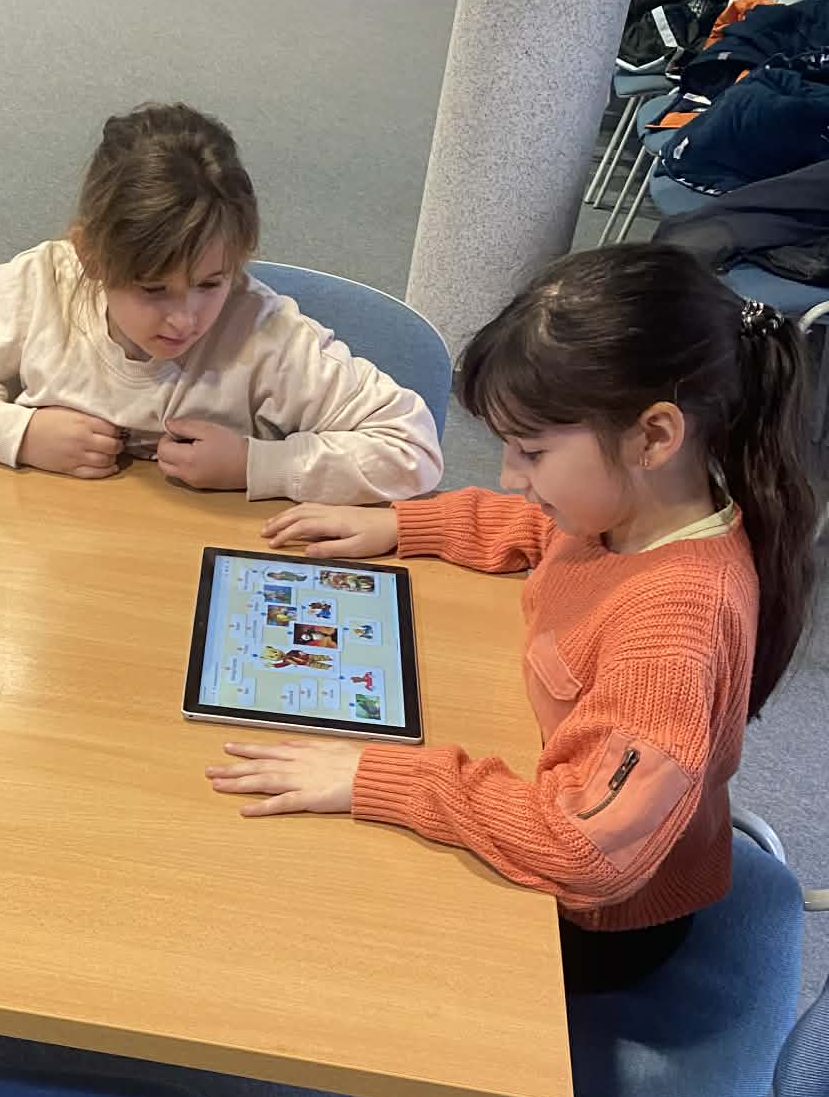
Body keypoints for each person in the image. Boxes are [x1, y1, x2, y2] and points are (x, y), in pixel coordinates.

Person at [206, 245, 820, 994]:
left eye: (531, 451)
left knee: (311, 908)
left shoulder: (675, 627)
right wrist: (405, 524)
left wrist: (380, 776)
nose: (509, 476)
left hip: (596, 923)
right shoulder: (632, 512)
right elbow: (544, 532)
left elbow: (585, 851)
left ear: (655, 437)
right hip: (561, 800)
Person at [0, 101, 444, 504]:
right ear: (90, 258)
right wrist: (14, 432)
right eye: (153, 289)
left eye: (211, 283)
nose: (185, 319)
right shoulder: (35, 288)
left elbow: (412, 447)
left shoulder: (264, 335)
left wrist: (256, 465)